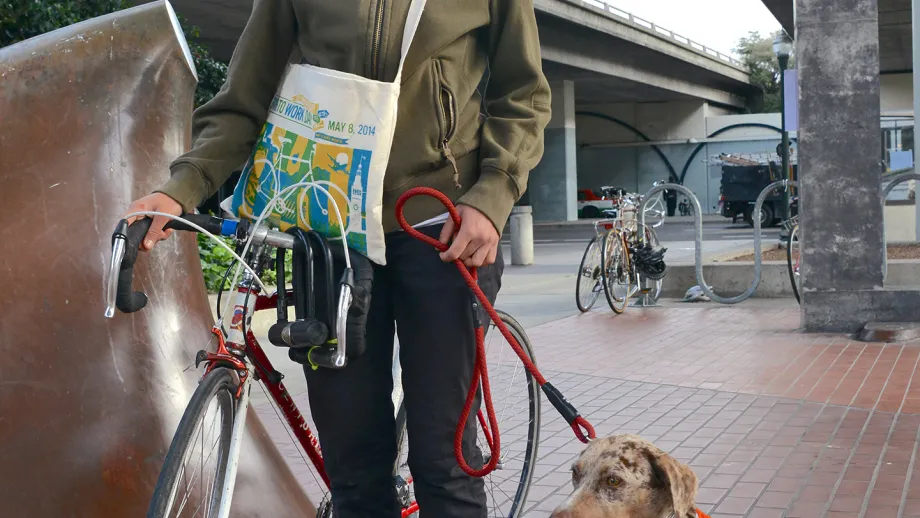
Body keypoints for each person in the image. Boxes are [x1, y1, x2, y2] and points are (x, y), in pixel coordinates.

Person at [124, 1, 551, 516]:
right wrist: (182, 189)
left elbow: (523, 92)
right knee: (353, 468)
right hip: (330, 237)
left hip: (443, 229)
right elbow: (245, 98)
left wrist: (493, 193)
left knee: (445, 464)